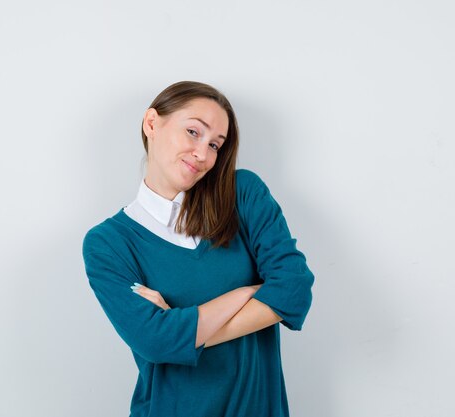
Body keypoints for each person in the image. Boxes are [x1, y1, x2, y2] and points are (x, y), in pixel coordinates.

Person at [81, 80, 314, 417]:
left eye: (216, 145)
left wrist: (182, 329)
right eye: (193, 132)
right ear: (152, 123)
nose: (203, 154)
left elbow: (294, 290)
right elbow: (154, 343)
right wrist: (249, 292)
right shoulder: (108, 243)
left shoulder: (242, 194)